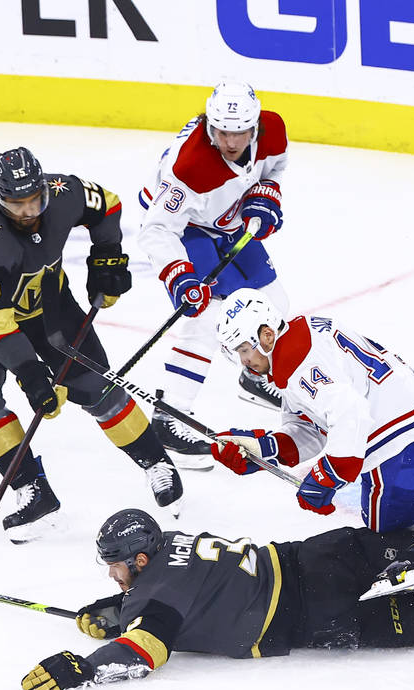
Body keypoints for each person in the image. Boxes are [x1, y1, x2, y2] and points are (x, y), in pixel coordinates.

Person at [21, 508, 414, 690]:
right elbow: (185, 587)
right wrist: (118, 607)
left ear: (138, 560)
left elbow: (146, 649)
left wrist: (82, 669)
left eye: (116, 566)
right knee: (391, 553)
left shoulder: (152, 594)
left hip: (305, 620)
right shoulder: (169, 546)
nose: (114, 574)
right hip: (308, 560)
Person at [0, 148, 183, 543]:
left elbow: (107, 204)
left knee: (96, 387)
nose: (28, 212)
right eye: (16, 205)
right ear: (0, 199)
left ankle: (156, 461)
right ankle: (33, 491)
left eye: (35, 200)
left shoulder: (64, 191)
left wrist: (107, 259)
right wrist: (32, 375)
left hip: (47, 306)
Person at [208, 287, 414, 594]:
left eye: (242, 349)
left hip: (401, 441)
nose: (243, 361)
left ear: (266, 336)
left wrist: (327, 475)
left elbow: (352, 415)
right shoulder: (298, 337)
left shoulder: (300, 365)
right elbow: (312, 428)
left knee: (385, 538)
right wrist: (263, 449)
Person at [138, 79, 290, 471]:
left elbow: (273, 168)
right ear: (210, 123)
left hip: (228, 219)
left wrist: (265, 195)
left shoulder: (273, 129)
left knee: (275, 304)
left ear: (255, 126)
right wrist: (179, 275)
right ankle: (169, 417)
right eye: (222, 131)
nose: (231, 140)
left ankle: (256, 378)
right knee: (203, 319)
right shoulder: (189, 167)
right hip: (185, 224)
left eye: (240, 132)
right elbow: (156, 229)